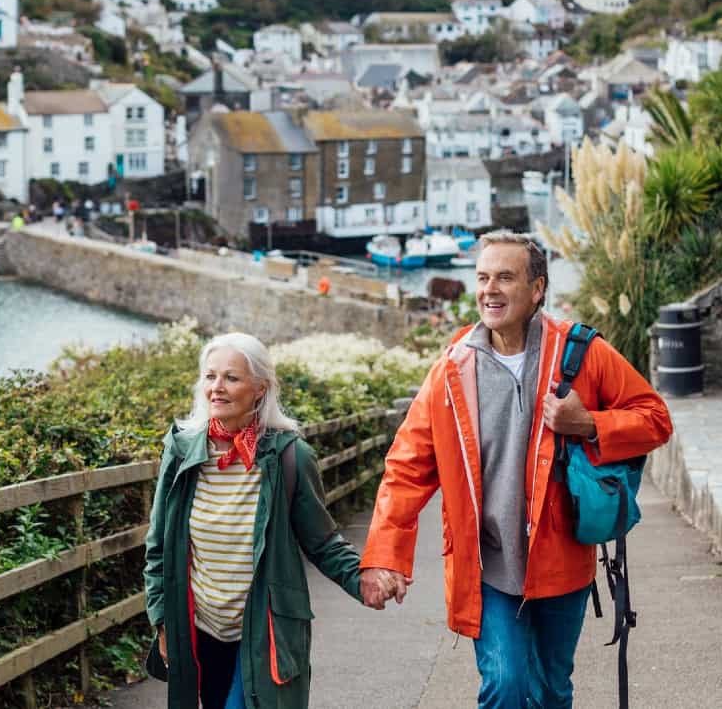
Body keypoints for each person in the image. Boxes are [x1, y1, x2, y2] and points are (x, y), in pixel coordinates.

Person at [358, 231, 672, 709]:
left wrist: (588, 423)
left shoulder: (581, 353)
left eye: (505, 277)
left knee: (551, 689)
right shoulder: (453, 368)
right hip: (487, 564)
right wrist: (385, 555)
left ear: (537, 288)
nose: (490, 289)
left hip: (563, 559)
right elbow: (407, 464)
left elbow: (654, 418)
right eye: (483, 277)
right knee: (506, 686)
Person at [144, 333, 367, 709]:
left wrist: (366, 580)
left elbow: (323, 541)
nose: (217, 387)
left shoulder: (290, 457)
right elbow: (158, 546)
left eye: (231, 378)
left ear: (259, 389)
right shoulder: (182, 451)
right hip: (200, 630)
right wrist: (163, 622)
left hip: (264, 631)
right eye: (210, 376)